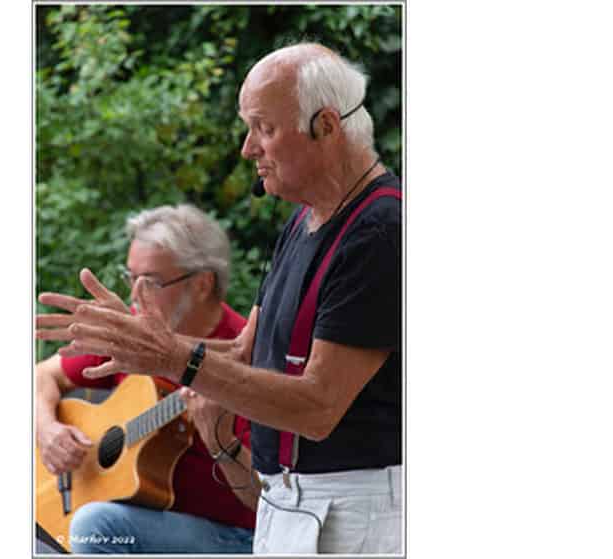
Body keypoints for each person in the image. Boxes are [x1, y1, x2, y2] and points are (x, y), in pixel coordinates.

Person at [37, 42, 402, 554]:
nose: (247, 148)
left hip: (353, 513)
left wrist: (171, 356)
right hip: (296, 510)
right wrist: (146, 341)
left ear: (326, 126)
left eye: (264, 128)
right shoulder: (305, 218)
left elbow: (319, 406)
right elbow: (246, 352)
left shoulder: (380, 231)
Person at [34, 204, 257, 554]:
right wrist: (46, 428)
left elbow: (267, 498)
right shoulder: (137, 333)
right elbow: (42, 374)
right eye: (130, 277)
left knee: (95, 526)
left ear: (202, 284)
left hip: (233, 536)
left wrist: (220, 439)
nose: (134, 295)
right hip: (137, 514)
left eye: (150, 281)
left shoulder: (247, 356)